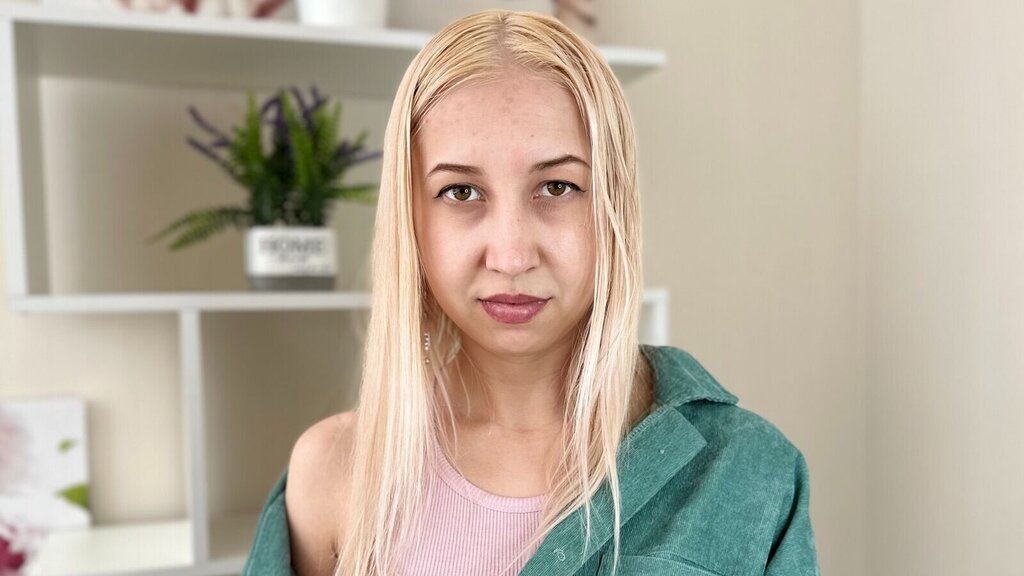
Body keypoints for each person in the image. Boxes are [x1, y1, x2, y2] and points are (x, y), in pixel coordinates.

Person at [242, 9, 820, 576]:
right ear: (410, 218)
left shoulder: (749, 470)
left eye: (557, 186)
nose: (512, 255)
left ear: (613, 206)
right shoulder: (332, 472)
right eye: (461, 192)